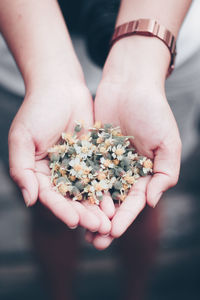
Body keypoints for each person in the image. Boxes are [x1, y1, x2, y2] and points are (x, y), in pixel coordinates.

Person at [0, 0, 199, 299]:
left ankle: (135, 292)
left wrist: (140, 68)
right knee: (47, 214)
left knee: (144, 202)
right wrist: (47, 73)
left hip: (161, 47)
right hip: (24, 54)